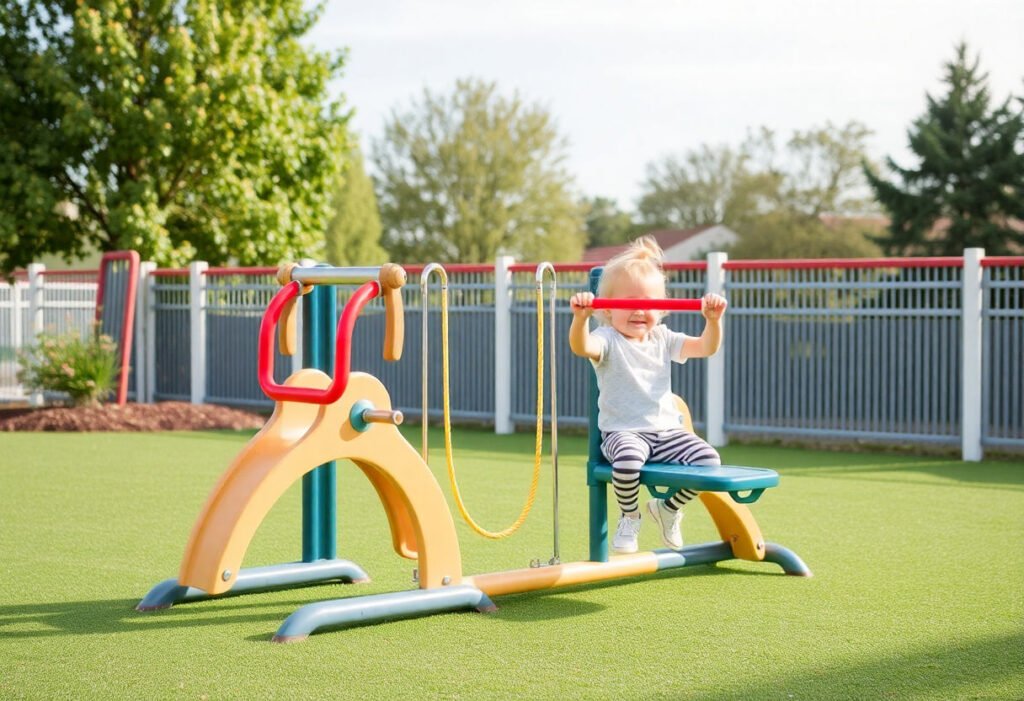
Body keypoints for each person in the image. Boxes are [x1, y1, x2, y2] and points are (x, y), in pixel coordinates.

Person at [569, 236, 727, 554]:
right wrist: (580, 319)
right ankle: (630, 515)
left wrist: (713, 322)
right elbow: (581, 346)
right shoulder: (607, 338)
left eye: (649, 304)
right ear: (608, 309)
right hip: (623, 432)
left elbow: (706, 347)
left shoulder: (662, 337)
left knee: (709, 461)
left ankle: (667, 508)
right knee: (627, 463)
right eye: (629, 304)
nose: (640, 311)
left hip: (666, 431)